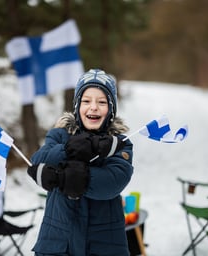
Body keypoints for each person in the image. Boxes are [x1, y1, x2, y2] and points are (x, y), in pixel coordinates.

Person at [27, 68, 134, 256]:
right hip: (58, 243)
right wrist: (68, 148)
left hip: (104, 245)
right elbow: (39, 160)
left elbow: (114, 181)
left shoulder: (118, 143)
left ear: (111, 109)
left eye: (101, 102)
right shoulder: (59, 134)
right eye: (86, 101)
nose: (93, 107)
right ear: (77, 106)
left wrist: (63, 178)